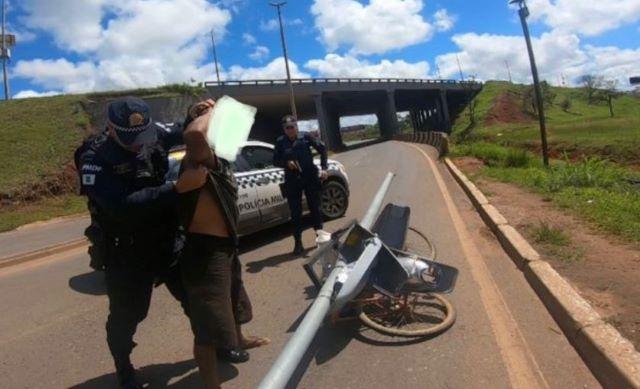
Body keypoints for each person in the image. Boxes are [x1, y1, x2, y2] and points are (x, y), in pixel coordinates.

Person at [76, 96, 208, 389]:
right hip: (127, 250)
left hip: (166, 239)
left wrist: (194, 113)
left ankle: (211, 348)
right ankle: (123, 366)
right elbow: (121, 205)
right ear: (111, 128)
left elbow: (180, 131)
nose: (137, 143)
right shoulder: (93, 157)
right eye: (128, 137)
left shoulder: (151, 133)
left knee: (195, 297)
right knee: (128, 315)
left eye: (141, 135)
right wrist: (175, 188)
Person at [176, 101, 269, 389]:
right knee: (208, 325)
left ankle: (239, 338)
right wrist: (207, 113)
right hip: (204, 252)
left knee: (235, 299)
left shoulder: (219, 158)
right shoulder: (197, 159)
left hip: (226, 244)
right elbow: (195, 136)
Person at [273, 115, 328, 255]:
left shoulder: (306, 137)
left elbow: (322, 149)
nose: (290, 130)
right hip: (292, 180)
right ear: (284, 129)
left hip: (309, 177)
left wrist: (324, 168)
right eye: (287, 128)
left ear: (296, 127)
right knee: (295, 213)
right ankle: (298, 243)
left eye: (292, 127)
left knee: (315, 208)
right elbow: (275, 161)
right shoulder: (280, 142)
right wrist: (286, 163)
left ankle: (320, 238)